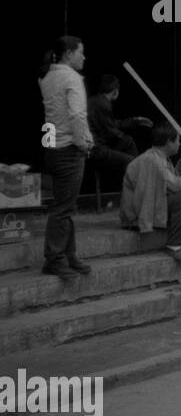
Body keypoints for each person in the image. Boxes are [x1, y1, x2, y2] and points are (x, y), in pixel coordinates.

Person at [39, 36, 93, 279]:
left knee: (66, 207)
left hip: (52, 147)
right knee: (62, 209)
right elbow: (77, 115)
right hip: (69, 149)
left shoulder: (48, 76)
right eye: (81, 52)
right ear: (69, 54)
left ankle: (69, 255)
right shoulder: (71, 78)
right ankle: (55, 258)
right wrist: (83, 144)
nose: (84, 57)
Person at [121, 124, 181, 257]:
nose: (179, 144)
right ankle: (174, 246)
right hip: (136, 214)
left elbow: (171, 184)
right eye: (177, 140)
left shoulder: (162, 159)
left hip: (155, 203)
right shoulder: (152, 160)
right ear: (169, 142)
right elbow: (178, 186)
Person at [87, 74, 152, 187]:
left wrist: (134, 121)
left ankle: (139, 180)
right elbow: (110, 132)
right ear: (115, 91)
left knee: (128, 141)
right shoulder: (103, 104)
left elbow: (111, 124)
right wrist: (121, 134)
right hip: (97, 150)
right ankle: (139, 184)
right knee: (133, 162)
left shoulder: (94, 100)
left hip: (97, 146)